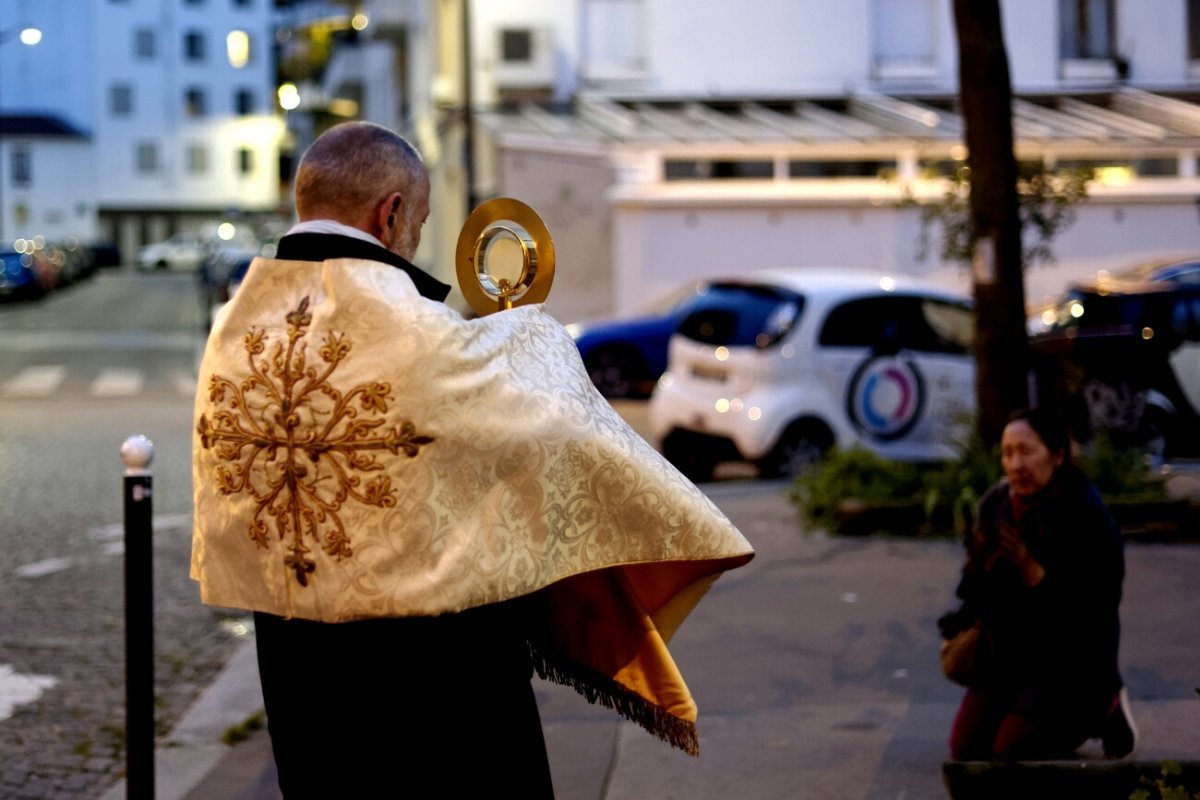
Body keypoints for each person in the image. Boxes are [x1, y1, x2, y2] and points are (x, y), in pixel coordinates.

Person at [190, 122, 753, 798]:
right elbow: (550, 419)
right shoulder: (419, 330)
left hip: (298, 679)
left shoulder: (231, 329)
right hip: (434, 689)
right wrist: (528, 330)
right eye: (419, 222)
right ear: (391, 213)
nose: (415, 238)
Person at [940, 407, 1137, 761]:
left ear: (1057, 455)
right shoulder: (996, 504)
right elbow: (971, 589)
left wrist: (1035, 572)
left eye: (1027, 452)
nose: (1016, 465)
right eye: (1007, 453)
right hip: (1007, 656)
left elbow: (1096, 609)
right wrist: (976, 574)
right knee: (966, 752)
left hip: (1067, 664)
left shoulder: (1086, 517)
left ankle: (1104, 708)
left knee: (1012, 752)